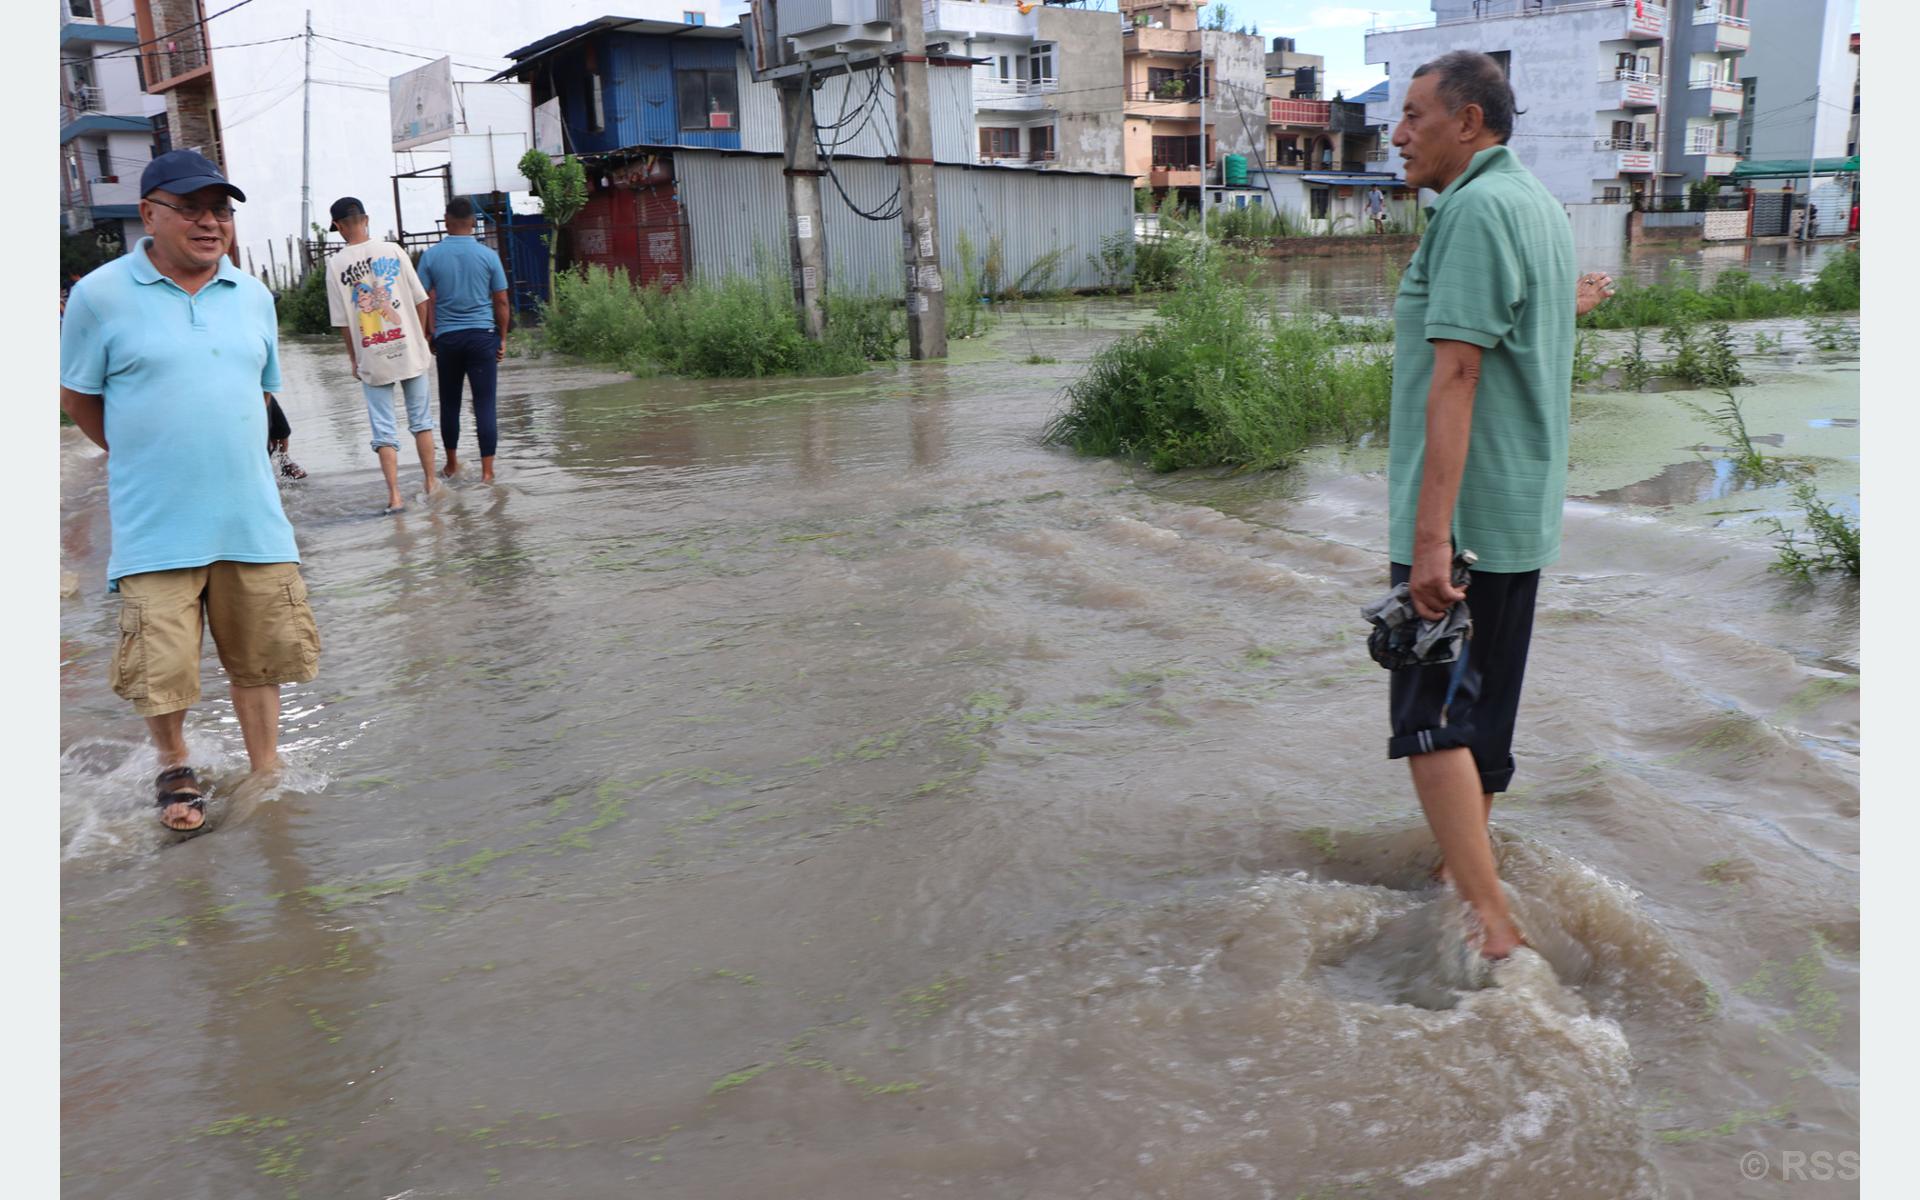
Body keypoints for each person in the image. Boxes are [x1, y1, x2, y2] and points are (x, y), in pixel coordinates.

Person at [58, 149, 322, 833]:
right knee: (162, 664)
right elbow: (78, 398)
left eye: (221, 210)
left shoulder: (253, 296)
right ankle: (174, 763)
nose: (211, 223)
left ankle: (264, 773)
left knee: (260, 657)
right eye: (193, 209)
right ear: (150, 215)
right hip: (156, 522)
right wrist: (144, 453)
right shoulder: (99, 296)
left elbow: (259, 393)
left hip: (251, 517)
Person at [1384, 51, 1578, 960]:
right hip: (1520, 512)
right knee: (1482, 717)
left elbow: (1458, 373)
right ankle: (1455, 881)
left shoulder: (1474, 211)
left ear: (1468, 122)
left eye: (1414, 116)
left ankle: (1493, 926)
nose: (1397, 135)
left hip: (1464, 520)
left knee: (1429, 723)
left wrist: (1431, 542)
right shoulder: (1537, 205)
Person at [324, 197, 438, 514]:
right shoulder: (394, 250)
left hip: (372, 355)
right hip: (409, 349)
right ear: (366, 219)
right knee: (422, 422)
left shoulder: (335, 265)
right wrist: (421, 337)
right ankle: (431, 484)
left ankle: (395, 497)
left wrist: (353, 359)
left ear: (338, 226)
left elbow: (343, 323)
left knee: (383, 430)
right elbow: (421, 300)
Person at [417, 197, 510, 483]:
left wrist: (427, 334)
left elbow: (421, 300)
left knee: (450, 403)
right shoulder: (489, 256)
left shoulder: (431, 257)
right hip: (482, 337)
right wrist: (502, 339)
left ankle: (451, 465)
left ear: (446, 221)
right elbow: (502, 301)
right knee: (485, 404)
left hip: (448, 339)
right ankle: (487, 473)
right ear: (473, 222)